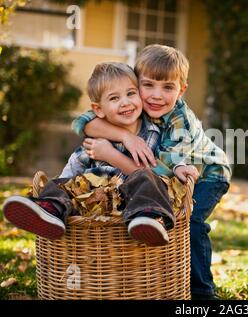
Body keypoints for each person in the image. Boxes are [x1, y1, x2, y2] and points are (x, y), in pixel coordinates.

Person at [71, 44, 232, 300]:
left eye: (168, 87)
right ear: (136, 83)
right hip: (169, 174)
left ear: (182, 90)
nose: (156, 95)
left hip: (208, 173)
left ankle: (202, 292)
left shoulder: (181, 122)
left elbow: (156, 175)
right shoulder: (134, 101)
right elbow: (84, 123)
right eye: (148, 85)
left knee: (188, 222)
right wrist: (125, 136)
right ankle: (157, 276)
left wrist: (111, 153)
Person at [3, 62, 198, 247]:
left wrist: (180, 166)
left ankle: (148, 218)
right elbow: (76, 162)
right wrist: (63, 183)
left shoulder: (153, 132)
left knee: (147, 178)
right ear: (98, 109)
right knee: (58, 183)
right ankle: (49, 211)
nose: (125, 102)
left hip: (130, 198)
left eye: (131, 93)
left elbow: (164, 163)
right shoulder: (97, 137)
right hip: (92, 199)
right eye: (114, 98)